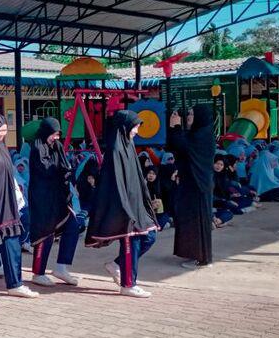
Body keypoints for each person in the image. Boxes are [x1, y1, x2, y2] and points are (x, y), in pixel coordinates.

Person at [85, 110, 158, 298]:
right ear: (125, 127)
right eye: (135, 127)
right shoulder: (115, 150)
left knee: (150, 236)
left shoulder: (128, 145)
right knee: (132, 241)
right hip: (123, 208)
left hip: (136, 206)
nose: (136, 131)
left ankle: (116, 265)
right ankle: (128, 284)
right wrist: (125, 209)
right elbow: (116, 183)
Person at [0, 114, 38, 298]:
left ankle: (15, 284)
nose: (2, 134)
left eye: (5, 130)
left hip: (7, 202)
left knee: (11, 239)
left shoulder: (2, 147)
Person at [28, 118, 80, 287]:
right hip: (43, 199)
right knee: (45, 234)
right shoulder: (37, 148)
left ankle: (61, 268)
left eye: (58, 134)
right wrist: (61, 170)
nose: (56, 138)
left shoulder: (57, 146)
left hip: (59, 197)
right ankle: (38, 273)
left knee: (73, 226)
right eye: (53, 134)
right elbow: (47, 169)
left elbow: (64, 167)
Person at [168, 104, 215, 270]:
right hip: (191, 184)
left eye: (191, 114)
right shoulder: (197, 134)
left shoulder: (202, 136)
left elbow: (183, 146)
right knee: (189, 221)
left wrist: (175, 127)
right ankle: (195, 253)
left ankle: (202, 258)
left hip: (198, 186)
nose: (188, 116)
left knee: (197, 222)